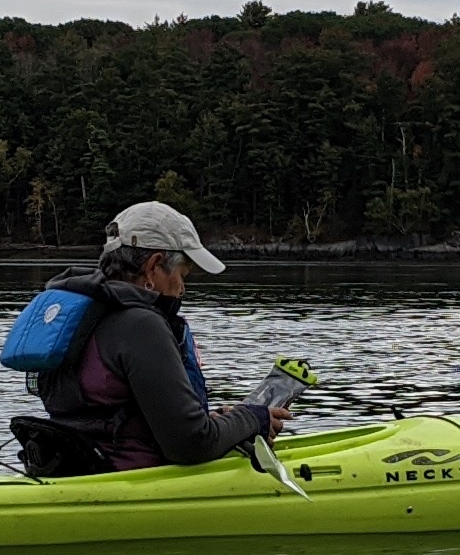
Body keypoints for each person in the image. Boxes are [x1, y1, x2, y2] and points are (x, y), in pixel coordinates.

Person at [39, 201, 290, 471]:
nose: (182, 288)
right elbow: (192, 445)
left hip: (72, 470)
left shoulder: (83, 316)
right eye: (182, 275)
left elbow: (119, 415)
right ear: (154, 266)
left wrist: (218, 423)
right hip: (133, 482)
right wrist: (252, 419)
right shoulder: (141, 325)